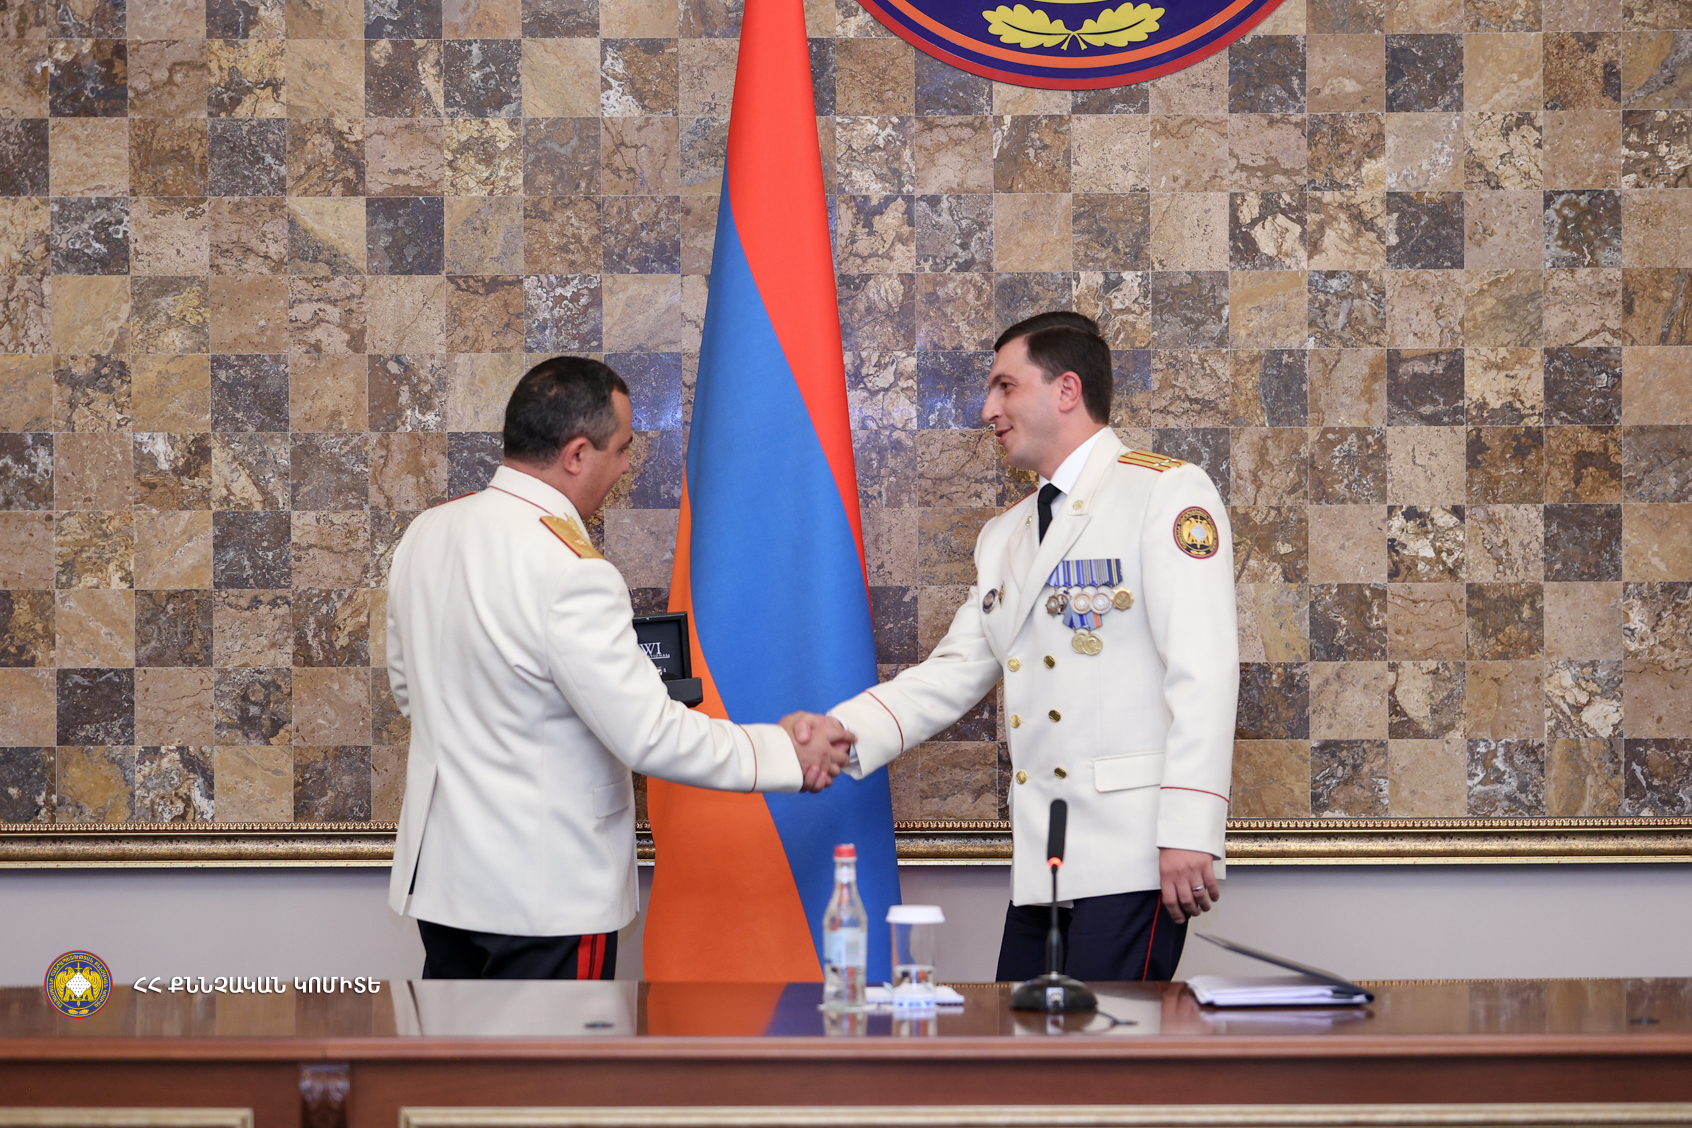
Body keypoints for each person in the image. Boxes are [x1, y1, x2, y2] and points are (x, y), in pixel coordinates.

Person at [385, 356, 856, 980]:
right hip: (545, 894)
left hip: (443, 884)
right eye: (623, 448)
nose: (627, 465)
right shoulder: (570, 568)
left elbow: (409, 693)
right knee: (556, 1052)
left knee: (459, 1048)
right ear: (577, 454)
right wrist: (786, 753)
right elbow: (649, 736)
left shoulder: (426, 533)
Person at [828, 312, 1239, 982]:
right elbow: (953, 672)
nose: (988, 409)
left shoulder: (1162, 492)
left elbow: (1205, 670)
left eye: (1005, 386)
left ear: (1066, 390)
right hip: (1045, 861)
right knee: (1014, 1038)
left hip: (1137, 855)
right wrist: (839, 733)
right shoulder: (1005, 536)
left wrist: (1191, 831)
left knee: (1111, 1042)